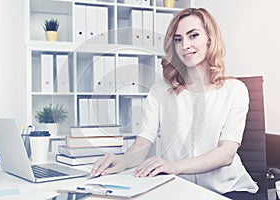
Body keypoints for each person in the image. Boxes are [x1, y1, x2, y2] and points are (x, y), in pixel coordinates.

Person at [91, 7, 259, 199]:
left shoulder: (234, 90)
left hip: (228, 190)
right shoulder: (160, 90)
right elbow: (144, 142)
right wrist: (122, 160)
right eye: (178, 39)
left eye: (193, 35)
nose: (185, 45)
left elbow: (226, 154)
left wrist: (173, 167)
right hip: (179, 188)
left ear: (210, 39)